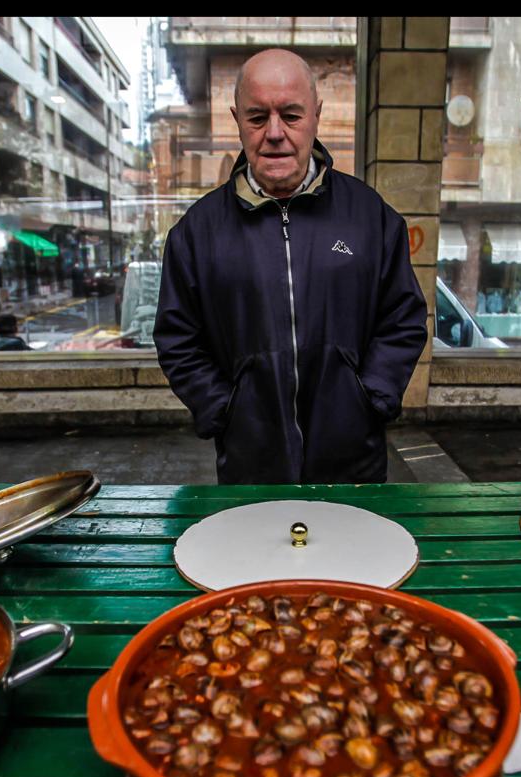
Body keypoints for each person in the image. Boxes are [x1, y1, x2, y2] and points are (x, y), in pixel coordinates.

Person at [154, 49, 427, 484]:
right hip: (250, 466)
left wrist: (369, 399)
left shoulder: (370, 218)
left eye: (292, 115)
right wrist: (224, 410)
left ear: (316, 115)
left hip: (354, 464)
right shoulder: (197, 234)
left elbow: (403, 319)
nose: (275, 133)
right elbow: (178, 339)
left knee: (352, 553)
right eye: (258, 117)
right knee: (250, 554)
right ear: (237, 119)